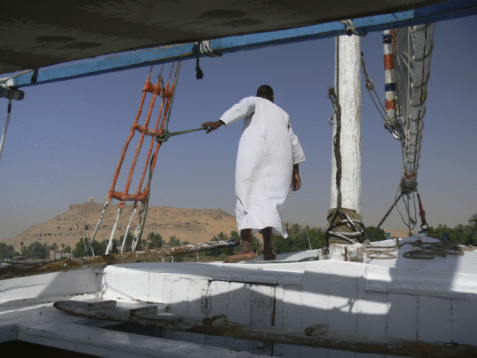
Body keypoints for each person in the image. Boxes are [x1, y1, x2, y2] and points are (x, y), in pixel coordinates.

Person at [202, 85, 306, 263]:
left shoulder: (254, 101)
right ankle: (267, 249)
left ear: (260, 95)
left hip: (254, 152)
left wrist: (219, 122)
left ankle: (247, 248)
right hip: (281, 161)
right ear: (273, 96)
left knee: (246, 194)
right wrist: (296, 171)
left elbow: (242, 107)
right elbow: (293, 141)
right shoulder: (283, 114)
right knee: (270, 202)